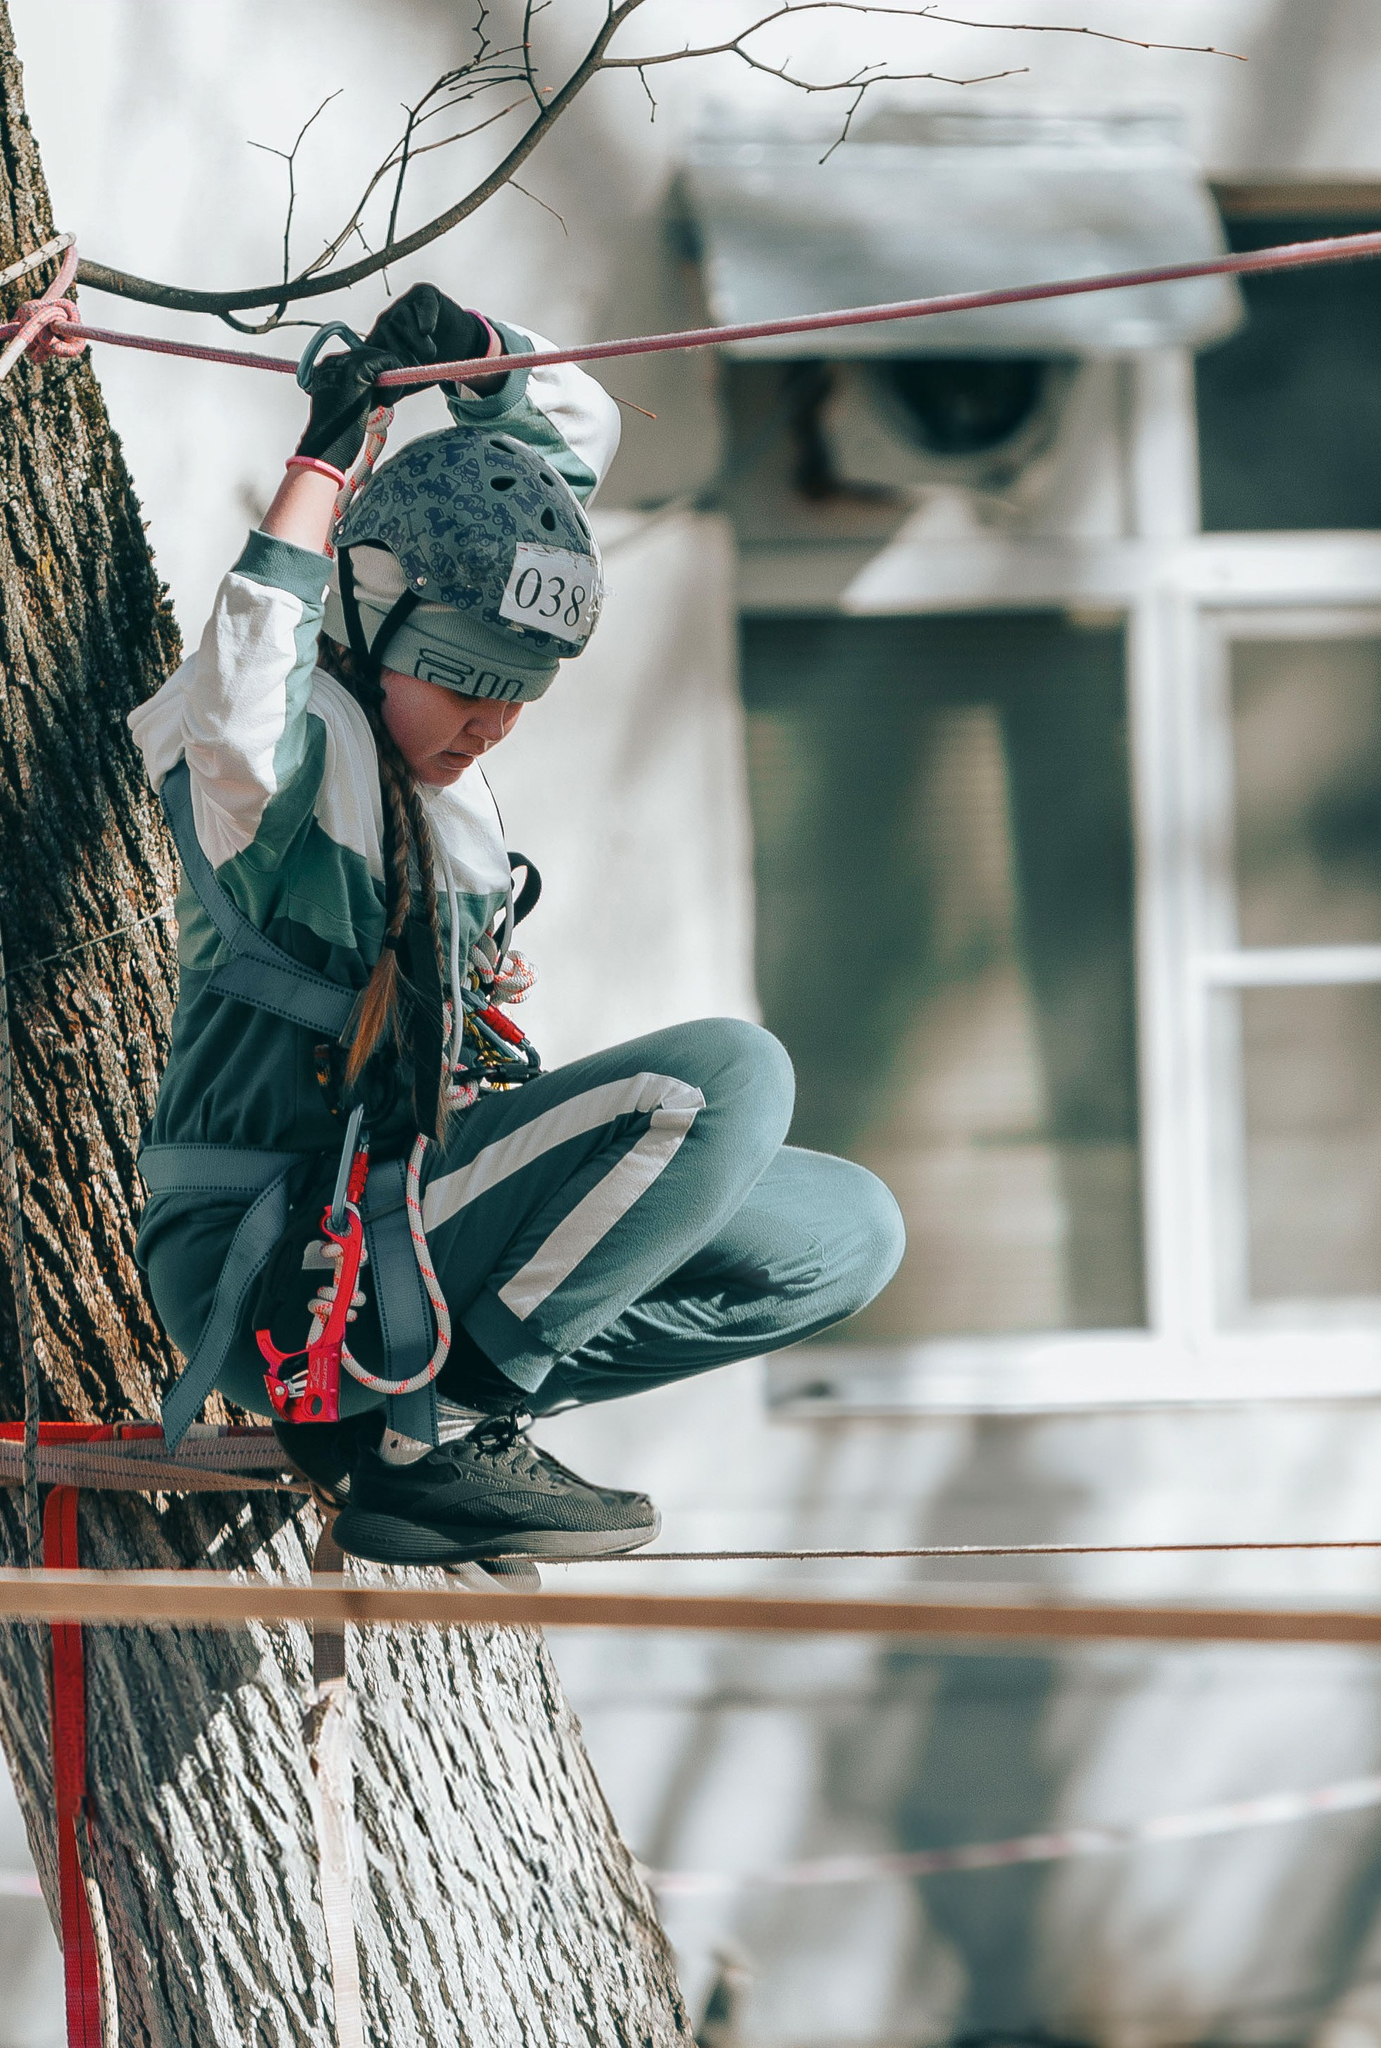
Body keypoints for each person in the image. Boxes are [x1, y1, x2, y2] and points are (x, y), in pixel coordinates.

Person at [127, 284, 904, 1565]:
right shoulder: (281, 763)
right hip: (270, 1265)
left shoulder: (446, 799)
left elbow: (543, 481)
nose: (491, 722)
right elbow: (241, 674)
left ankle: (438, 1407)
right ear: (366, 621)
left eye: (521, 694)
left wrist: (485, 366)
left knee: (843, 1231)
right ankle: (439, 1432)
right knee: (727, 1074)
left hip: (401, 1230)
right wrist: (321, 465)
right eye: (465, 683)